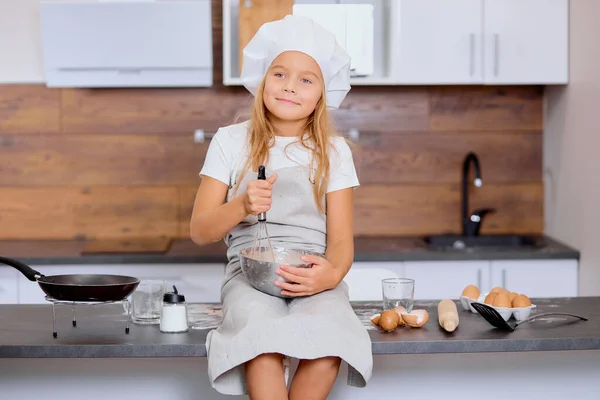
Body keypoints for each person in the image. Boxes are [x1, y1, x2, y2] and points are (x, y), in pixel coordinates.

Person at [189, 14, 373, 399]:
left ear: (322, 93)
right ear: (261, 80)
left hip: (314, 276)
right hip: (248, 275)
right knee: (261, 343)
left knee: (329, 343)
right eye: (279, 74)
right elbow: (200, 230)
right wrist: (241, 204)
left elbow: (341, 244)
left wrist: (330, 274)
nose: (290, 87)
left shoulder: (335, 153)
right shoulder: (230, 141)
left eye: (306, 79)